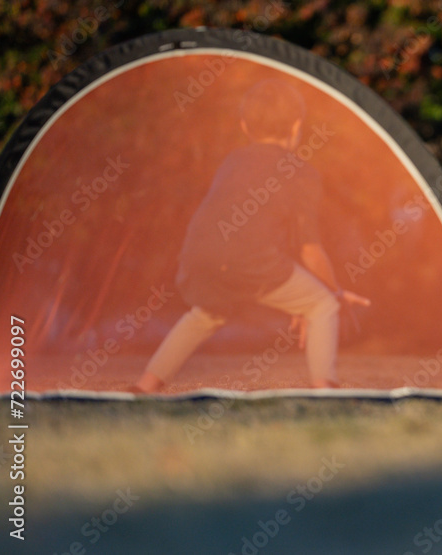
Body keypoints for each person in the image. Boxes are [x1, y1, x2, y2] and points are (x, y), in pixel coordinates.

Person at [134, 79, 369, 392]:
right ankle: (324, 389)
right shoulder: (301, 172)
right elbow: (309, 250)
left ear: (245, 126)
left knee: (206, 313)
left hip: (198, 254)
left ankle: (145, 385)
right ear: (297, 125)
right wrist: (333, 293)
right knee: (322, 306)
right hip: (251, 260)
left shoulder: (232, 162)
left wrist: (301, 295)